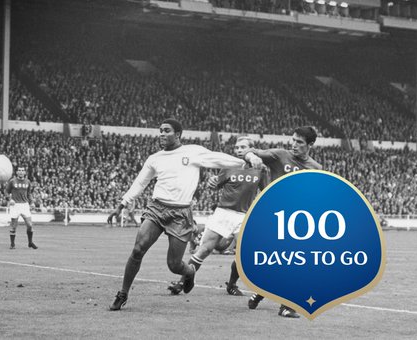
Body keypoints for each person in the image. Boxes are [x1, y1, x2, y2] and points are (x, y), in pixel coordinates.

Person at [107, 118, 248, 311]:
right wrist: (122, 204)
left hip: (180, 213)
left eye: (166, 130)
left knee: (174, 265)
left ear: (178, 134)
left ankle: (189, 271)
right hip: (156, 208)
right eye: (160, 131)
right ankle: (123, 293)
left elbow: (219, 158)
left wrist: (243, 160)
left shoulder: (192, 152)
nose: (162, 134)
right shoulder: (154, 158)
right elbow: (140, 183)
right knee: (138, 249)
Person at [167, 136, 267, 297]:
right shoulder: (228, 166)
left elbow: (265, 191)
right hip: (223, 213)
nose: (239, 150)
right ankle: (181, 282)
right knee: (204, 249)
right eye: (237, 148)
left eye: (243, 147)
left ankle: (232, 285)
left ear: (251, 149)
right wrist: (212, 183)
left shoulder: (261, 169)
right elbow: (215, 185)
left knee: (244, 255)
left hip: (244, 216)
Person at [244, 126, 322, 318]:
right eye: (293, 140)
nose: (294, 145)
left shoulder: (316, 168)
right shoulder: (279, 155)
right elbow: (250, 151)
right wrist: (252, 156)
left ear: (310, 145)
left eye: (300, 142)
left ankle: (264, 292)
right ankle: (285, 305)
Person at [5, 166, 38, 249]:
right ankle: (12, 244)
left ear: (24, 172)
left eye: (22, 170)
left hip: (24, 205)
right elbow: (6, 191)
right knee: (14, 226)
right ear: (16, 172)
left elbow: (29, 194)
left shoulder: (28, 182)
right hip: (15, 205)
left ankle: (30, 242)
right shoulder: (12, 181)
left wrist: (32, 202)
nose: (21, 172)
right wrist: (10, 199)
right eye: (19, 170)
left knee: (29, 225)